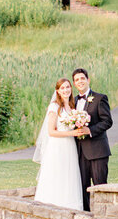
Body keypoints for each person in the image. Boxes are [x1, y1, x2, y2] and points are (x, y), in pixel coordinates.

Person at [32, 78, 86, 210]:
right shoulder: (54, 107)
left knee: (69, 175)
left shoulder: (72, 107)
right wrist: (71, 134)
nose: (66, 90)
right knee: (57, 174)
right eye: (62, 88)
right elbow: (51, 131)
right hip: (57, 146)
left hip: (70, 147)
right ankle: (52, 206)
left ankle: (71, 205)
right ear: (58, 91)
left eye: (67, 87)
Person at [72, 68, 113, 211]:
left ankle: (104, 217)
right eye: (77, 80)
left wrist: (90, 130)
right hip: (79, 152)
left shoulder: (100, 98)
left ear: (88, 80)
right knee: (82, 187)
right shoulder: (73, 101)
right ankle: (87, 218)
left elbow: (107, 121)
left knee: (100, 186)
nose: (80, 81)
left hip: (97, 151)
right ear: (74, 84)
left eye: (82, 78)